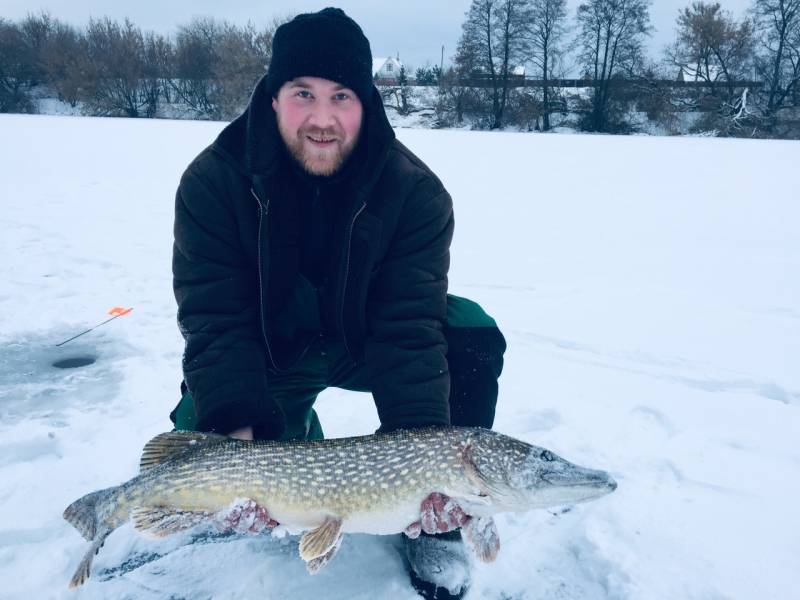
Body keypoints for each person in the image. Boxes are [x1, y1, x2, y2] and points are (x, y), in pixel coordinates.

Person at [170, 7, 506, 599]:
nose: (322, 119)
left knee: (469, 331)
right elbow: (217, 320)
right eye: (303, 93)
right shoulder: (214, 183)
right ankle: (285, 435)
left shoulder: (415, 194)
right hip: (270, 352)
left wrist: (422, 463)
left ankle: (435, 522)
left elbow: (408, 327)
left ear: (366, 104)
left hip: (365, 344)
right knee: (206, 439)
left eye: (342, 96)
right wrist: (238, 431)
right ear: (273, 98)